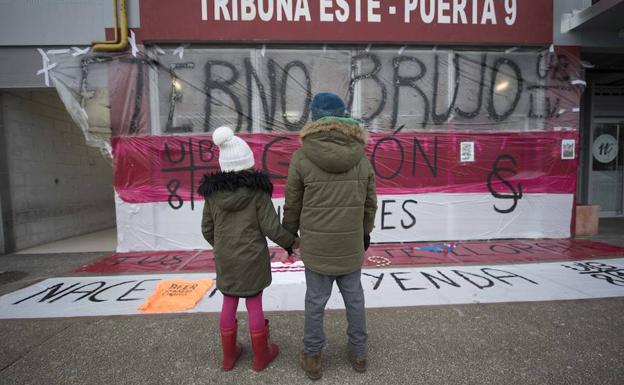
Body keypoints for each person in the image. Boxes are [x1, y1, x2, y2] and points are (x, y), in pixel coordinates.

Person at [282, 92, 377, 380]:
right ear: (344, 115)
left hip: (316, 247)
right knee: (355, 300)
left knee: (315, 302)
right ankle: (359, 354)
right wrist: (364, 235)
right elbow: (370, 203)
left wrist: (289, 237)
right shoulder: (361, 157)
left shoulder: (301, 157)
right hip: (349, 246)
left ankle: (312, 358)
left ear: (313, 119)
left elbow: (292, 203)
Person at [198, 126, 298, 372]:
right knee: (254, 303)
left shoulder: (213, 195)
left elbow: (206, 229)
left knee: (228, 302)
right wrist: (292, 243)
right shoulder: (257, 193)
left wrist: (222, 246)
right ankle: (261, 357)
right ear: (248, 164)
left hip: (226, 259)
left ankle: (229, 358)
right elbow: (272, 228)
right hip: (252, 259)